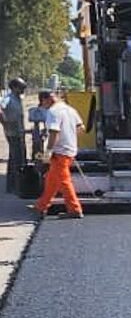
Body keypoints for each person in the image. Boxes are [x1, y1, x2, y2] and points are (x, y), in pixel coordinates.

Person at [32, 89, 85, 220]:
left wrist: (47, 153)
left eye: (42, 103)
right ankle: (41, 206)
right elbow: (81, 128)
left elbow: (54, 132)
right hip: (70, 150)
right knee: (52, 179)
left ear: (46, 100)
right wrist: (69, 137)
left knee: (64, 181)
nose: (43, 106)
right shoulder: (70, 110)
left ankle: (75, 209)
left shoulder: (53, 112)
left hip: (59, 152)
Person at [1, 78, 28, 194]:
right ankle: (14, 186)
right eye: (21, 88)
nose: (22, 90)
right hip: (12, 133)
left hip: (19, 132)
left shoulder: (18, 99)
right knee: (16, 159)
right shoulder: (8, 98)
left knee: (17, 158)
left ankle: (14, 185)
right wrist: (5, 122)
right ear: (14, 88)